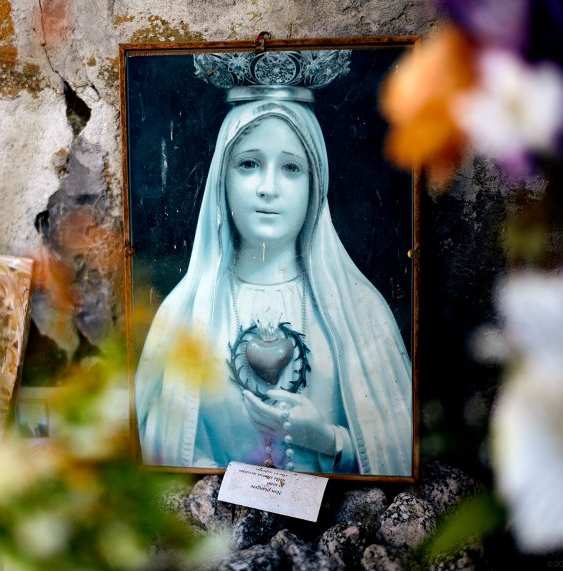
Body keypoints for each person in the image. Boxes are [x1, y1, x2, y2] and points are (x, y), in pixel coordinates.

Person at [135, 52, 413, 475]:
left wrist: (327, 439)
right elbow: (162, 457)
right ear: (221, 177)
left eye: (290, 168)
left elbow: (396, 452)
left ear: (314, 182)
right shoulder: (183, 314)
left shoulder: (361, 311)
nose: (268, 187)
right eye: (248, 164)